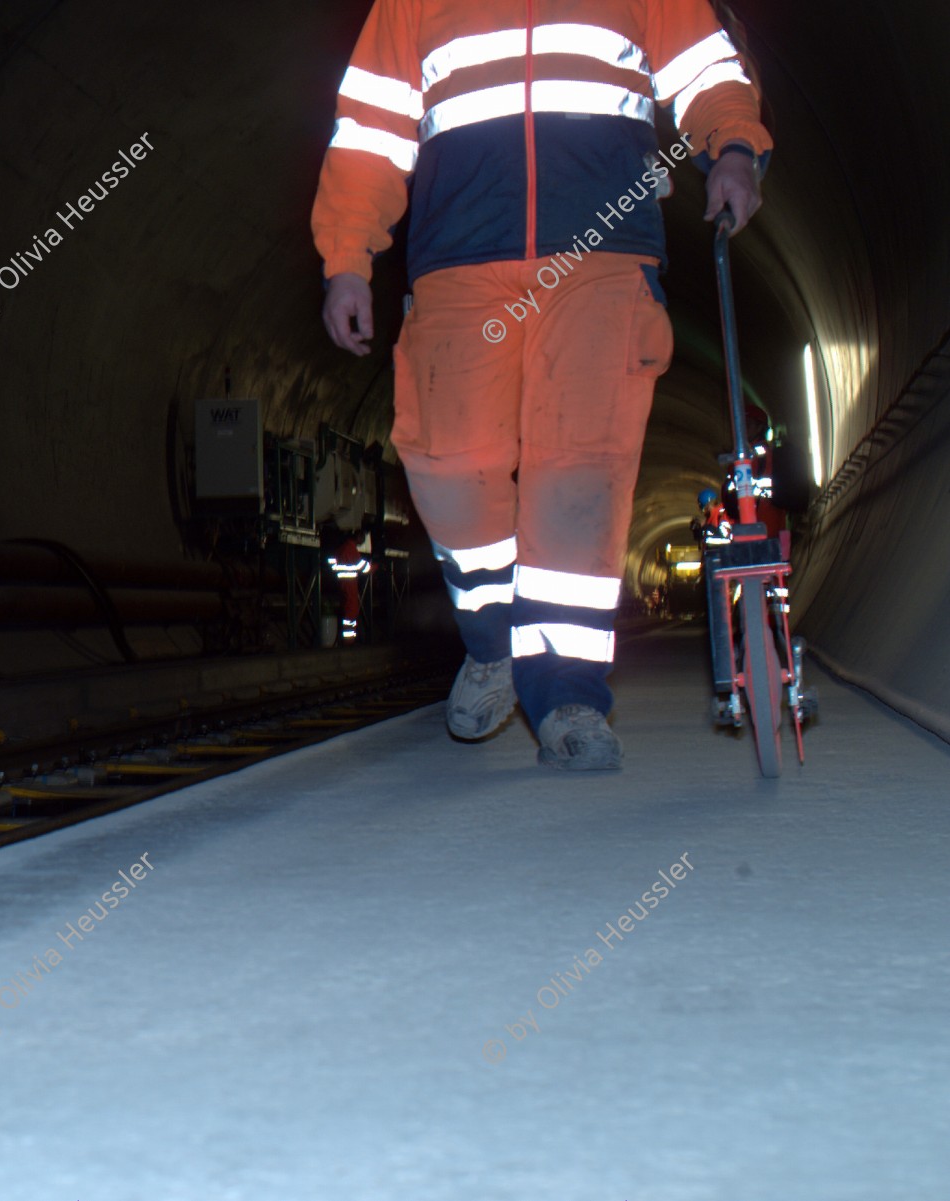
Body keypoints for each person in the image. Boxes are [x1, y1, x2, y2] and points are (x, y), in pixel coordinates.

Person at [312, 0, 771, 770]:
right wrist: (347, 259)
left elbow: (707, 70)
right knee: (449, 459)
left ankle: (567, 697)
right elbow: (368, 130)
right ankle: (492, 643)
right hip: (458, 256)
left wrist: (732, 145)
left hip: (600, 253)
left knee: (578, 475)